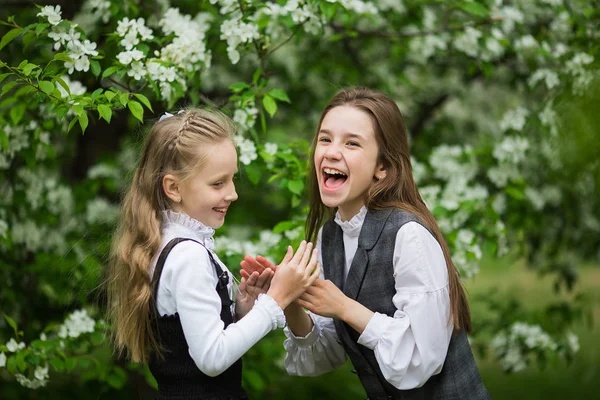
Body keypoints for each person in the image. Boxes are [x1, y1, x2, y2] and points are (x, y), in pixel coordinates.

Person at [242, 88, 490, 399]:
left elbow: (421, 359)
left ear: (382, 167)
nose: (332, 152)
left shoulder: (408, 235)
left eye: (352, 143)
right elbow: (328, 352)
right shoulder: (329, 236)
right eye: (325, 139)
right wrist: (291, 300)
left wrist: (344, 306)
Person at [107, 108, 320, 400]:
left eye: (232, 179)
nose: (232, 193)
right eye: (218, 183)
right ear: (173, 188)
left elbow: (194, 337)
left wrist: (242, 309)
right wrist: (275, 301)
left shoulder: (170, 242)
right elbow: (211, 358)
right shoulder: (187, 256)